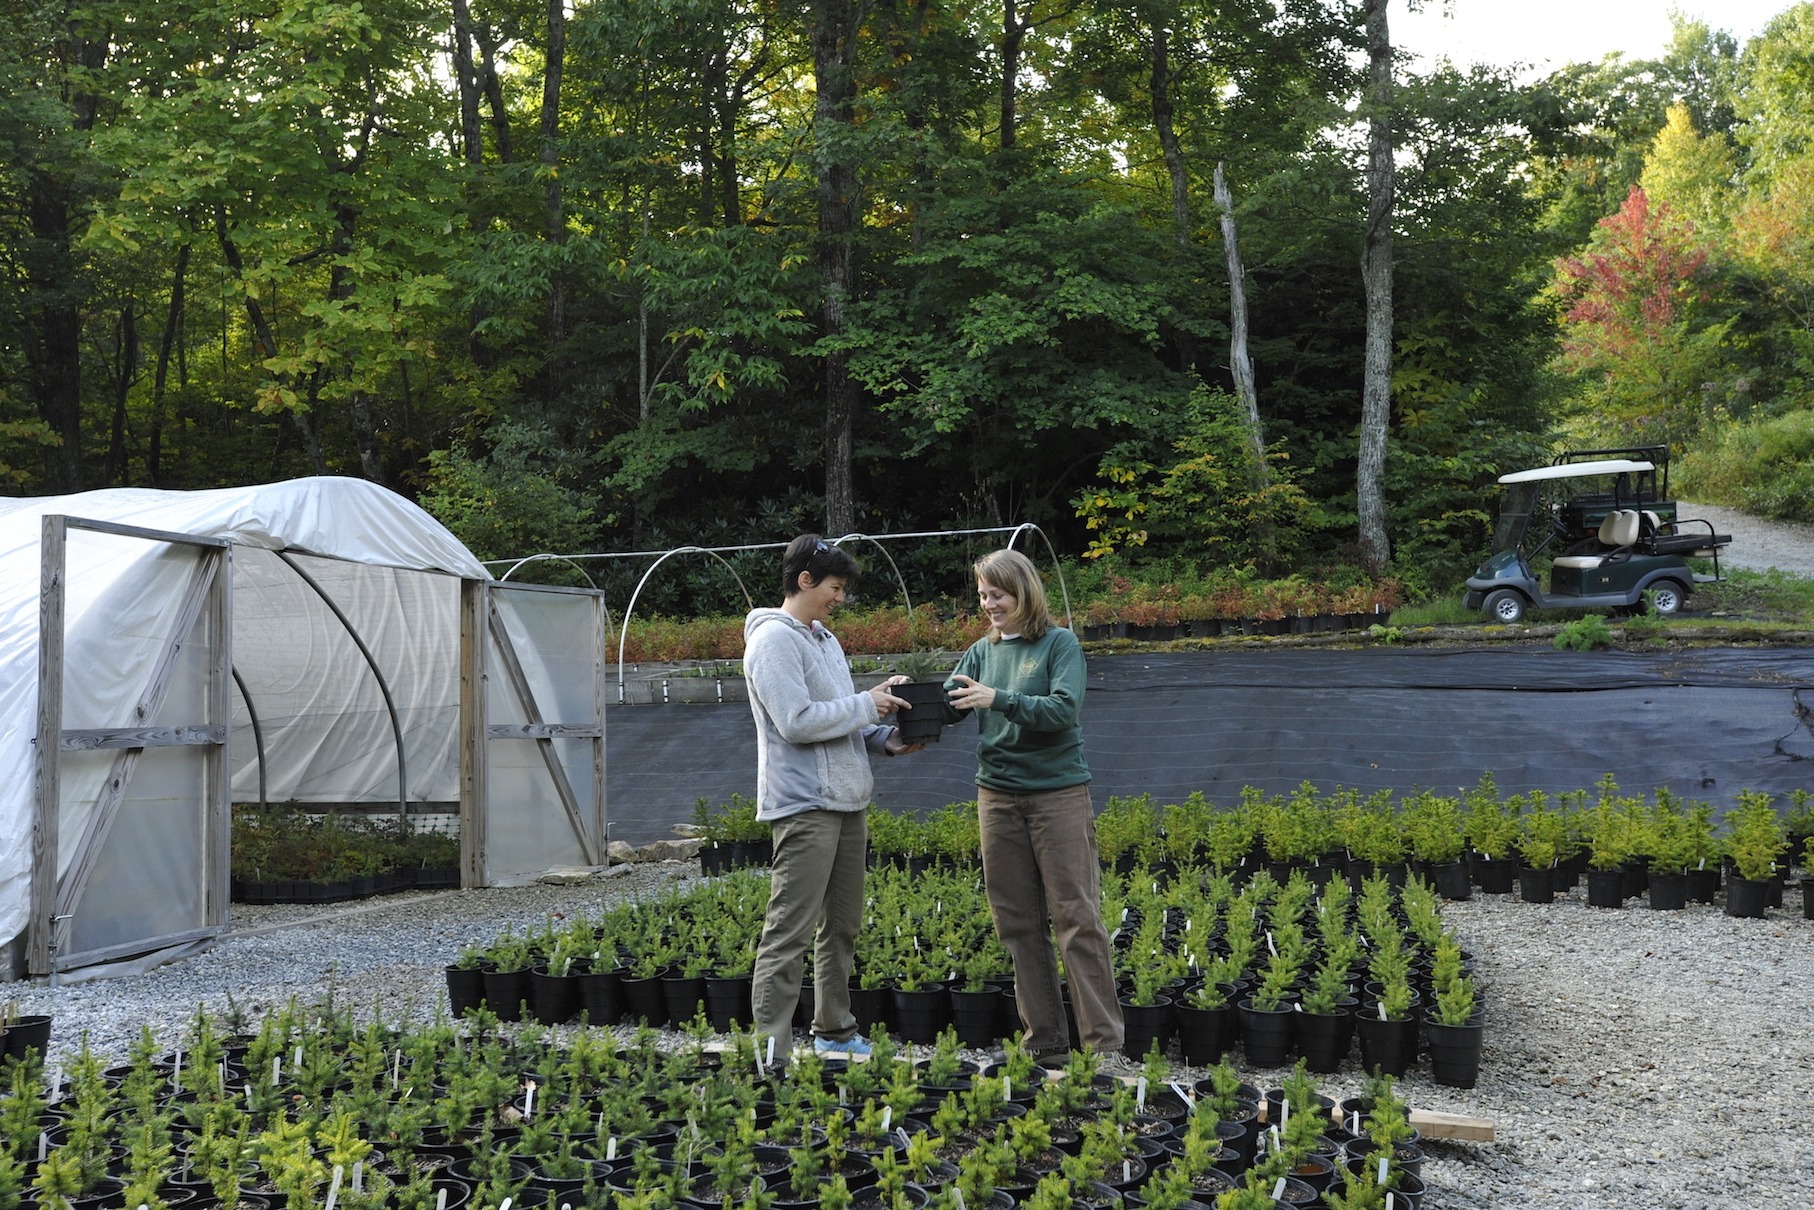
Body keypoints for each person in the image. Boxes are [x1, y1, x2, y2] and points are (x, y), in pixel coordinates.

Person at [744, 534, 920, 1063]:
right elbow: (795, 723)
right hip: (804, 806)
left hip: (847, 801)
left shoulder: (824, 640)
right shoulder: (773, 641)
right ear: (805, 581)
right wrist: (867, 704)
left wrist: (887, 738)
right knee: (789, 930)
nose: (840, 598)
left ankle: (834, 1031)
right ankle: (771, 1050)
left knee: (841, 926)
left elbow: (840, 718)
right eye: (835, 588)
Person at [945, 548, 1125, 1064]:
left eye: (996, 594)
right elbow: (952, 696)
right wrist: (910, 700)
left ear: (1023, 592)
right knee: (1016, 921)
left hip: (1057, 796)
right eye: (982, 595)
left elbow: (1064, 710)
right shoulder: (983, 650)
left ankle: (1104, 1046)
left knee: (1076, 916)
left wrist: (997, 699)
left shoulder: (1058, 644)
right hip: (996, 797)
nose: (988, 605)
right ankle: (1044, 1039)